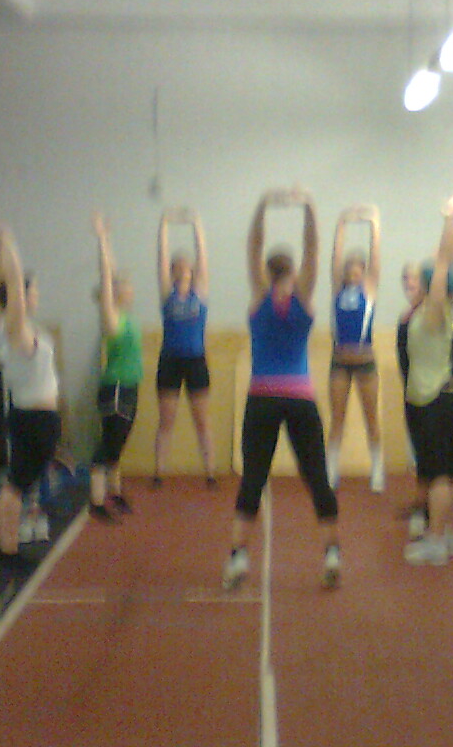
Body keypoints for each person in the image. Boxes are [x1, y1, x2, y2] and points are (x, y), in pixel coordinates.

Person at [223, 186, 342, 590]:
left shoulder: (260, 297)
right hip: (300, 399)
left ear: (265, 271)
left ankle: (238, 557)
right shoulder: (303, 298)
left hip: (261, 399)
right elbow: (314, 250)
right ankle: (332, 552)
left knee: (253, 478)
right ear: (292, 271)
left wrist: (261, 206)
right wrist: (309, 206)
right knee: (317, 477)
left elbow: (252, 246)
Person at [404, 187, 453, 565]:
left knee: (439, 475)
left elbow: (445, 261)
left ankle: (434, 542)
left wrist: (449, 216)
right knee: (452, 470)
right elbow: (449, 258)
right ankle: (451, 536)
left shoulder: (433, 310)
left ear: (434, 285)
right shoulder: (443, 307)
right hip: (442, 396)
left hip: (431, 399)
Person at [0, 222, 62, 564]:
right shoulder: (15, 330)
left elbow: (1, 289)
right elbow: (13, 285)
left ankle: (8, 544)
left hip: (28, 416)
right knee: (16, 485)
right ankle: (8, 548)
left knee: (18, 483)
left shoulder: (0, 323)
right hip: (34, 419)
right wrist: (10, 244)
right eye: (33, 290)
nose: (36, 295)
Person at [153, 206, 216, 485]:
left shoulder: (199, 292)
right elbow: (160, 258)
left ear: (191, 270)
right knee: (166, 420)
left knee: (202, 421)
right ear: (172, 270)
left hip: (195, 361)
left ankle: (210, 473)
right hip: (170, 361)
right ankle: (159, 472)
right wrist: (164, 225)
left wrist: (196, 224)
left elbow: (203, 257)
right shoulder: (166, 294)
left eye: (185, 265)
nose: (181, 268)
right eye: (176, 265)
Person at [326, 204, 385, 492]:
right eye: (348, 270)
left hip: (364, 361)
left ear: (363, 272)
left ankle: (377, 469)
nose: (352, 273)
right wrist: (341, 224)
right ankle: (330, 470)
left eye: (357, 270)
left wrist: (374, 224)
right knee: (337, 418)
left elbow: (376, 259)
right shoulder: (338, 289)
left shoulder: (369, 289)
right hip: (340, 360)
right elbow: (335, 258)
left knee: (371, 417)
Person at [89, 211, 142, 521]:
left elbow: (112, 269)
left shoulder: (126, 316)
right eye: (126, 285)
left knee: (117, 444)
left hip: (129, 386)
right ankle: (96, 502)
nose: (131, 289)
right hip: (117, 387)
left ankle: (114, 491)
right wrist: (100, 240)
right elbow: (106, 274)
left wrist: (108, 239)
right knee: (108, 446)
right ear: (116, 292)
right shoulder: (112, 318)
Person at [395, 259, 429, 539]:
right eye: (405, 278)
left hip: (427, 393)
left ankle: (427, 509)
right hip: (411, 390)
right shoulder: (407, 315)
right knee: (417, 450)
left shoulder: (427, 314)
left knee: (427, 451)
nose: (409, 282)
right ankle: (421, 500)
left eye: (414, 278)